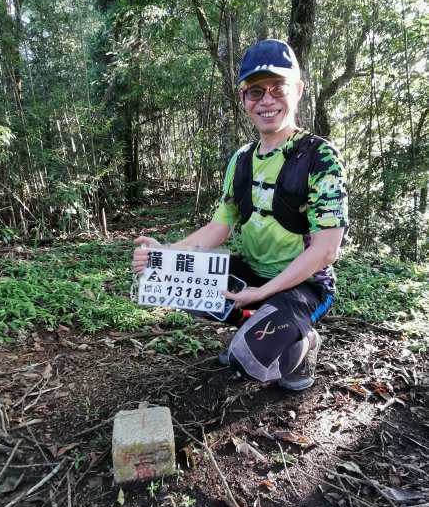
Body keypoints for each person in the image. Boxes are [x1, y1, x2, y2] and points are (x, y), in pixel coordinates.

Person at [132, 39, 349, 390]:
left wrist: (262, 294)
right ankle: (258, 326)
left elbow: (327, 249)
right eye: (255, 91)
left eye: (278, 88)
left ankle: (303, 343)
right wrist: (165, 254)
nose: (267, 100)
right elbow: (219, 227)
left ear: (298, 90)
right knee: (174, 279)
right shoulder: (241, 160)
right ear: (243, 99)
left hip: (305, 286)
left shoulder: (318, 156)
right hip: (254, 273)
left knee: (248, 358)